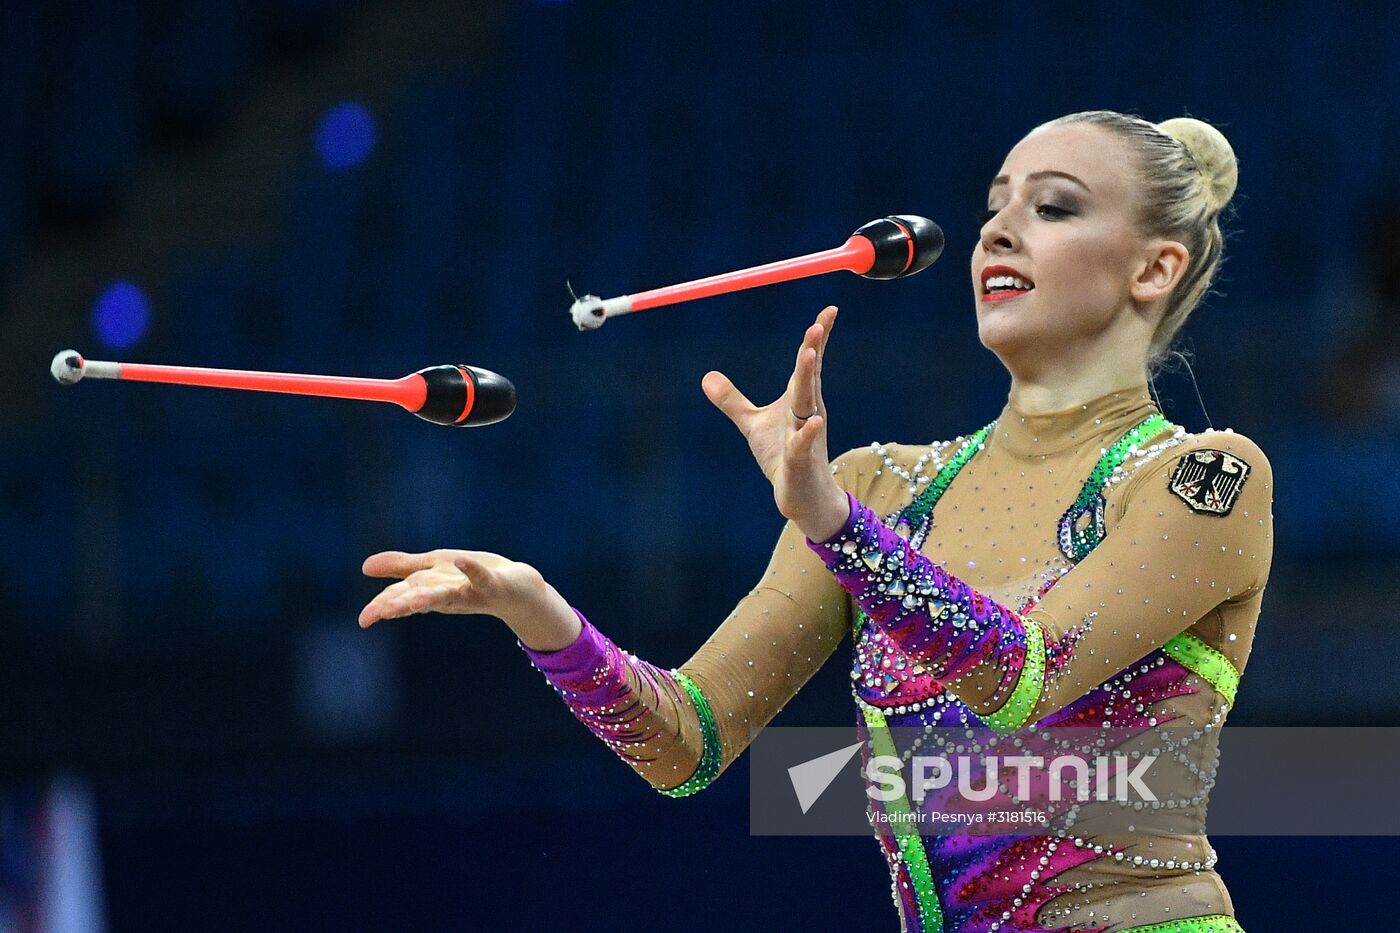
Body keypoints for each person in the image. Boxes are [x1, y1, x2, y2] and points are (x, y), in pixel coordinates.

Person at [357, 110, 1271, 933]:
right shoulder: (878, 486)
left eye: (1054, 207)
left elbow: (1024, 676)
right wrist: (542, 616)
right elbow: (689, 743)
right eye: (996, 206)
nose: (998, 230)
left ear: (1155, 266)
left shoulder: (1201, 479)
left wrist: (839, 531)